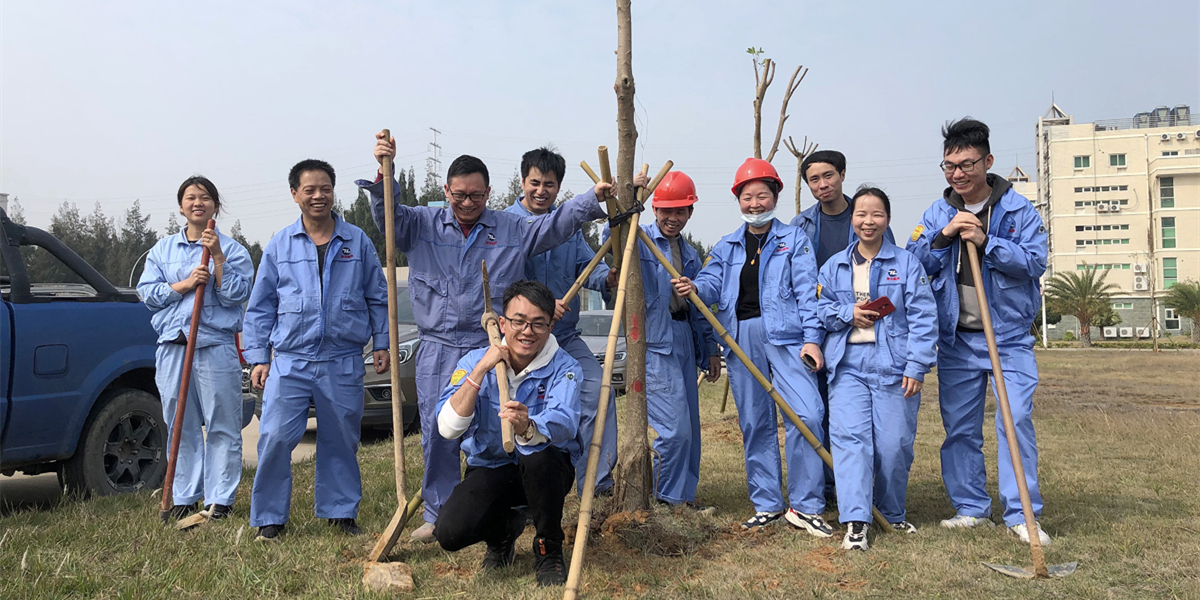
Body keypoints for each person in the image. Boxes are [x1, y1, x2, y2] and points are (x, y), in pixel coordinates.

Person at [359, 131, 609, 541]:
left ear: (489, 192)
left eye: (476, 195)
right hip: (438, 346)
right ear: (447, 191)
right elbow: (389, 217)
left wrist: (590, 200)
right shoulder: (421, 223)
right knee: (440, 428)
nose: (468, 203)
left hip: (494, 343)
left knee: (502, 422)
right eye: (459, 195)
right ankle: (437, 511)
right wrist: (384, 172)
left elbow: (555, 225)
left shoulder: (511, 228)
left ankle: (509, 500)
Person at [907, 118, 1051, 545]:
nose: (958, 173)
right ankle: (970, 507)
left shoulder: (1018, 209)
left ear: (987, 162)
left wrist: (989, 242)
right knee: (961, 429)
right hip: (957, 340)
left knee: (1015, 419)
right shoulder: (937, 211)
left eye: (967, 164)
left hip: (1007, 338)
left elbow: (1035, 262)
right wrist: (944, 237)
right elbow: (913, 263)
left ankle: (1023, 513)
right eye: (949, 165)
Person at [672, 160, 830, 536]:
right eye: (747, 197)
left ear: (775, 195)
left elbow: (809, 294)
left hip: (789, 337)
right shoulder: (726, 245)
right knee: (755, 422)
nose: (755, 203)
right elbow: (710, 282)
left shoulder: (794, 240)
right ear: (738, 201)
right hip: (740, 337)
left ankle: (805, 505)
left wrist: (812, 339)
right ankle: (767, 503)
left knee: (806, 415)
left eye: (762, 195)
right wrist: (695, 288)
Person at [244, 159, 390, 541]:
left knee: (340, 438)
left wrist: (384, 344)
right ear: (295, 194)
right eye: (309, 189)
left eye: (325, 188)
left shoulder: (357, 241)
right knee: (275, 436)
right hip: (290, 361)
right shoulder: (280, 244)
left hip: (342, 360)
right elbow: (260, 306)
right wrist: (259, 356)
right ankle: (269, 518)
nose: (318, 196)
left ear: (333, 191)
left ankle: (341, 513)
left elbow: (378, 298)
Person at [433, 281, 581, 587]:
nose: (527, 331)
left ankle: (548, 550)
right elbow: (447, 427)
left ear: (549, 327)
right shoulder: (473, 362)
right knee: (449, 532)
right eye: (518, 322)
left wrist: (529, 426)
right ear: (503, 323)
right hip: (492, 466)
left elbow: (566, 421)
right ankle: (502, 533)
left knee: (541, 459)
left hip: (546, 471)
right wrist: (478, 374)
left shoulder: (565, 367)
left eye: (538, 324)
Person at [817, 187, 938, 550]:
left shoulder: (906, 264)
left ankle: (892, 513)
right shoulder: (835, 265)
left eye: (877, 215)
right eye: (861, 214)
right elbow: (818, 308)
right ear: (851, 219)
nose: (868, 222)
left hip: (893, 367)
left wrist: (916, 365)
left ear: (887, 219)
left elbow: (923, 316)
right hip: (848, 367)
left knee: (893, 445)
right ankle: (856, 521)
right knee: (851, 443)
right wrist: (846, 313)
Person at [504, 147, 621, 496]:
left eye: (549, 184)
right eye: (535, 183)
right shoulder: (506, 226)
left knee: (598, 393)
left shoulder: (570, 227)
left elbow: (589, 266)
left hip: (564, 339)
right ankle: (516, 490)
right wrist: (539, 309)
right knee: (514, 410)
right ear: (523, 181)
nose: (541, 191)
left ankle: (595, 484)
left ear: (559, 187)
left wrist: (608, 278)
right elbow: (503, 283)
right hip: (520, 342)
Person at [138, 175, 253, 520]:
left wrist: (217, 258)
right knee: (179, 423)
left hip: (214, 345)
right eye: (191, 197)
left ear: (215, 205)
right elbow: (147, 294)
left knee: (222, 422)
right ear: (181, 206)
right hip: (174, 346)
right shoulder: (163, 249)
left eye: (205, 197)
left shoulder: (233, 250)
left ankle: (219, 501)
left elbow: (237, 295)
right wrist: (186, 284)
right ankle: (185, 495)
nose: (197, 202)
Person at [789, 150, 895, 501]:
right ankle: (832, 483)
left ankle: (863, 485)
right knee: (819, 408)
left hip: (865, 330)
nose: (822, 185)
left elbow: (889, 272)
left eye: (828, 176)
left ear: (843, 175)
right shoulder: (800, 225)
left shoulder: (869, 217)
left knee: (859, 417)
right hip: (821, 326)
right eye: (814, 180)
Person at [614, 171, 721, 511]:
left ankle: (683, 498)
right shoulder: (639, 237)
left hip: (683, 339)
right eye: (667, 210)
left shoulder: (689, 254)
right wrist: (630, 195)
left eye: (681, 211)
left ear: (690, 212)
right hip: (653, 342)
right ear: (655, 209)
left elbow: (699, 309)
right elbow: (612, 233)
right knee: (674, 431)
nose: (673, 218)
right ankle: (665, 500)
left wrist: (711, 351)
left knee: (690, 427)